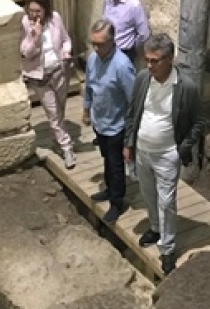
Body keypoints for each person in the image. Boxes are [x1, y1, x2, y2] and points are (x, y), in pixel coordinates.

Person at [123, 32, 204, 274]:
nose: (149, 65)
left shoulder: (186, 87)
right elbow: (131, 113)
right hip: (143, 150)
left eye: (155, 60)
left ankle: (167, 248)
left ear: (170, 59)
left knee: (167, 201)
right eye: (147, 60)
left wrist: (182, 149)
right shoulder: (141, 79)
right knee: (148, 194)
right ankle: (155, 228)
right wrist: (128, 143)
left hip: (168, 153)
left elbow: (199, 122)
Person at [83, 19, 136, 224]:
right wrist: (86, 110)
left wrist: (130, 136)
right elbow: (89, 85)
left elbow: (132, 100)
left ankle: (117, 201)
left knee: (115, 165)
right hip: (100, 122)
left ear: (112, 41)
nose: (96, 48)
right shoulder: (92, 60)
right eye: (93, 43)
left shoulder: (122, 66)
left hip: (117, 125)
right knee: (106, 158)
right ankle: (108, 189)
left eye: (100, 44)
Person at [21, 0, 76, 169]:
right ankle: (67, 148)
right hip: (40, 77)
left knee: (60, 109)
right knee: (53, 113)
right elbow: (26, 53)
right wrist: (35, 38)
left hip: (59, 71)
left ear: (45, 10)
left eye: (37, 11)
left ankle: (57, 138)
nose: (34, 15)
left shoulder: (56, 18)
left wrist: (66, 51)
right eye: (31, 11)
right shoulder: (24, 23)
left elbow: (66, 39)